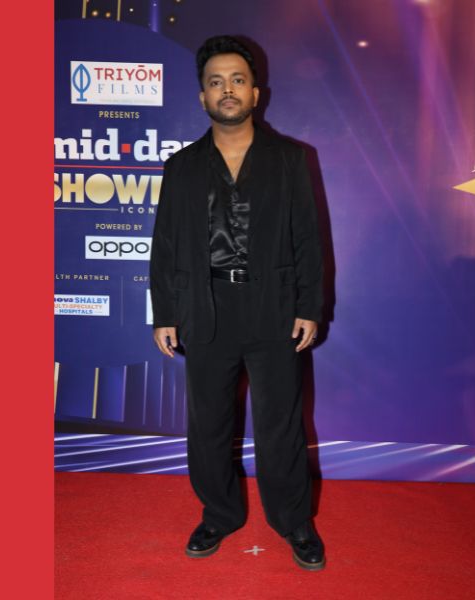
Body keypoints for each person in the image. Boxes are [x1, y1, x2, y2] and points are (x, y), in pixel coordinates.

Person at [149, 35, 325, 571]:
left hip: (274, 309)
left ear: (255, 93)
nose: (227, 90)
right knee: (207, 425)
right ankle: (219, 514)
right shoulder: (181, 167)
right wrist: (165, 313)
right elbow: (165, 245)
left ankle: (293, 521)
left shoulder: (291, 159)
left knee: (281, 426)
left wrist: (310, 305)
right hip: (205, 310)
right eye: (216, 82)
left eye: (237, 80)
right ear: (202, 96)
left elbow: (308, 239)